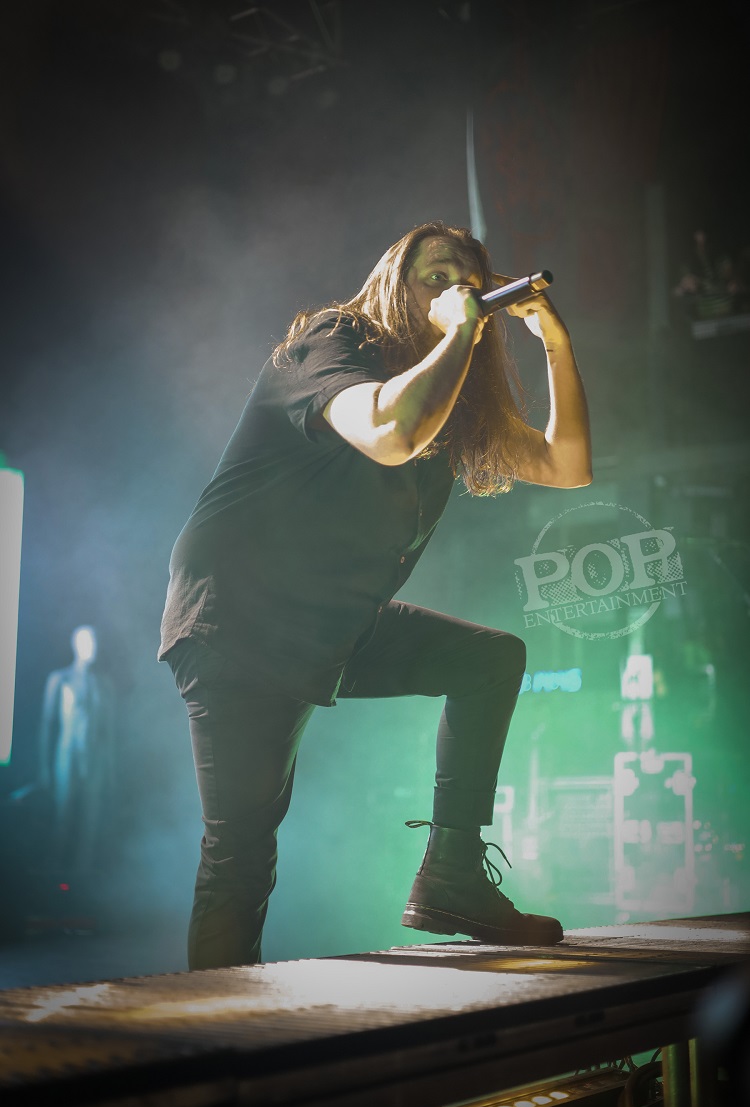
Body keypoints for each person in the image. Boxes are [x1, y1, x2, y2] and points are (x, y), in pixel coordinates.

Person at [158, 220, 592, 970]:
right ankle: (217, 1029)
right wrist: (461, 330)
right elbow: (392, 429)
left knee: (489, 661)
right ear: (395, 284)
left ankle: (452, 877)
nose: (457, 291)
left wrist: (553, 339)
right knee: (241, 853)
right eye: (436, 277)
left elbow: (567, 464)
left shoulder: (454, 399)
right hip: (240, 616)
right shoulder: (332, 342)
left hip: (333, 620)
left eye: (471, 283)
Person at [39, 625, 116, 875]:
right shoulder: (60, 679)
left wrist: (111, 770)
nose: (93, 647)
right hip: (67, 756)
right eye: (87, 641)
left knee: (90, 821)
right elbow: (47, 724)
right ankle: (53, 872)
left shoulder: (103, 684)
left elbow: (108, 732)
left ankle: (83, 874)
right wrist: (44, 767)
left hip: (95, 760)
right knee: (63, 815)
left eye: (95, 641)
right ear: (76, 645)